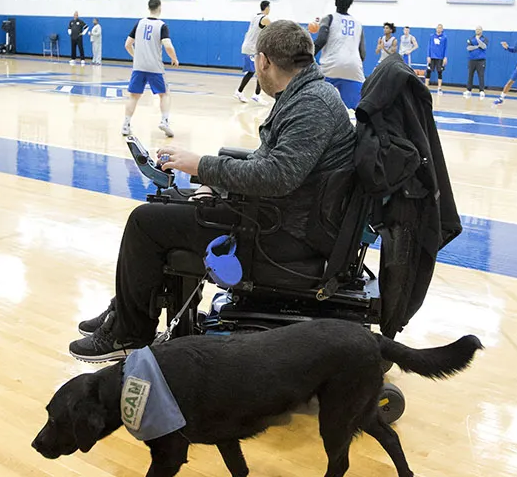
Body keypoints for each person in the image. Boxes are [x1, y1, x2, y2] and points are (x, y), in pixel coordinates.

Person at [68, 20, 357, 361]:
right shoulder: (307, 94)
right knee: (171, 202)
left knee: (145, 221)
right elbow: (275, 165)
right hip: (280, 217)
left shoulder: (312, 105)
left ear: (263, 61)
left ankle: (129, 334)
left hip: (278, 234)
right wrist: (214, 179)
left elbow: (277, 176)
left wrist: (200, 166)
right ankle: (124, 311)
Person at [122, 0, 179, 137]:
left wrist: (136, 57)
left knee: (133, 96)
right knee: (164, 94)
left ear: (149, 8)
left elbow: (127, 44)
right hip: (154, 67)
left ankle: (125, 125)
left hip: (139, 66)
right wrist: (174, 58)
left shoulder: (139, 23)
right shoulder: (161, 26)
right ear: (159, 8)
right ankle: (164, 121)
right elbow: (168, 45)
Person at [313, 0, 366, 110]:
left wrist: (308, 56)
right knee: (357, 109)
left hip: (331, 66)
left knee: (319, 104)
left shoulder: (328, 18)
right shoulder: (358, 24)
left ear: (335, 2)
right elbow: (362, 53)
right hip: (353, 68)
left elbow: (321, 40)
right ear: (350, 5)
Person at [234, 0, 269, 102]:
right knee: (252, 71)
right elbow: (274, 28)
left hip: (253, 47)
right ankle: (239, 91)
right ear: (267, 8)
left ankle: (257, 95)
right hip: (251, 48)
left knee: (260, 71)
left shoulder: (255, 16)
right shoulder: (265, 19)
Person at [465, 26, 488, 96]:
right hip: (472, 60)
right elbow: (469, 48)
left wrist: (478, 40)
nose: (477, 31)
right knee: (470, 75)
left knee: (481, 75)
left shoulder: (484, 39)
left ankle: (481, 90)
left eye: (479, 29)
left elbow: (484, 46)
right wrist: (477, 46)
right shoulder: (471, 39)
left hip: (481, 60)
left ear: (481, 31)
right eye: (476, 29)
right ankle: (469, 90)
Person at [425, 24, 448, 93]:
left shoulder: (444, 37)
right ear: (436, 29)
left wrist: (445, 57)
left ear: (442, 29)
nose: (439, 29)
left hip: (440, 57)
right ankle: (426, 86)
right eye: (438, 28)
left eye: (440, 28)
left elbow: (445, 48)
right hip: (432, 57)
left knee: (439, 72)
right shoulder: (432, 36)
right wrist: (428, 56)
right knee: (428, 71)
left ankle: (439, 88)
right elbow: (429, 46)